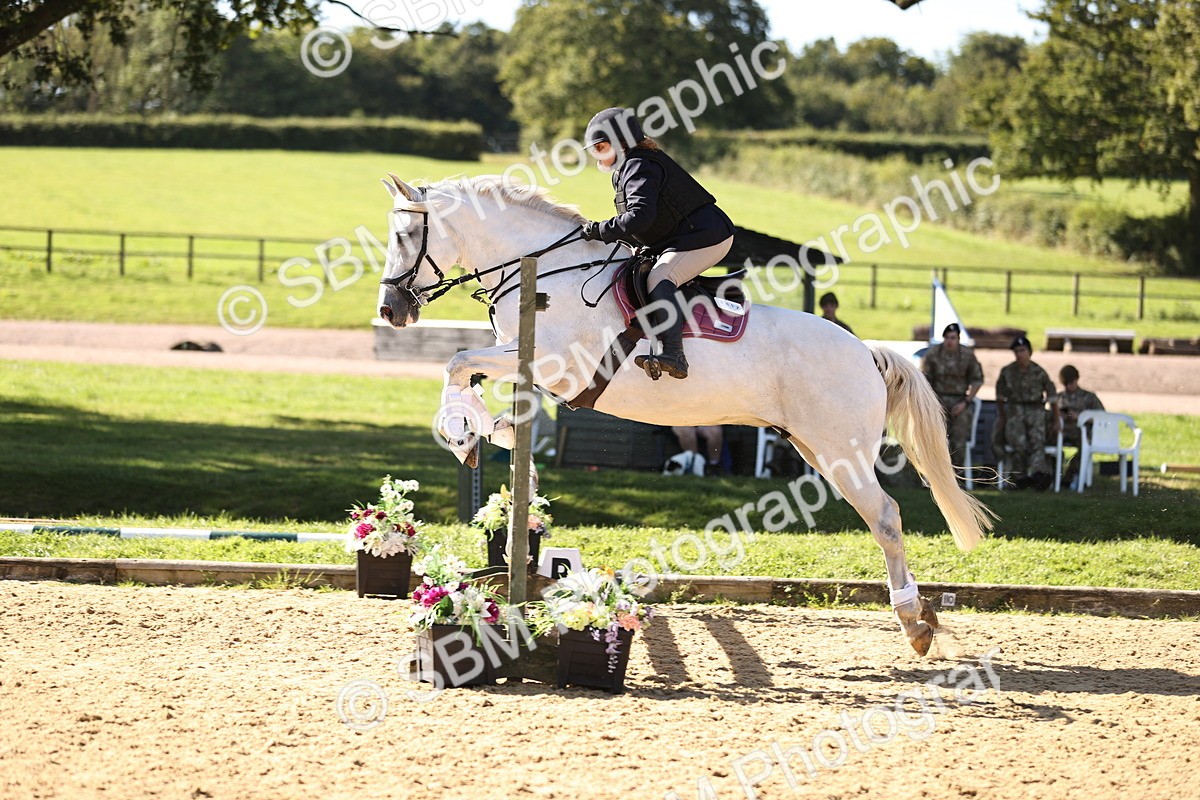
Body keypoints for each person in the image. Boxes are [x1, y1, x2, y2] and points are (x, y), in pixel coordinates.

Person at [579, 107, 735, 381]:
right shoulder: (629, 167)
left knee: (661, 275)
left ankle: (675, 354)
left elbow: (639, 218)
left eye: (602, 147)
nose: (599, 155)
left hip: (707, 236)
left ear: (620, 142)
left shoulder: (640, 164)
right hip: (684, 237)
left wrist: (598, 230)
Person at [995, 336, 1061, 490]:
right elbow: (999, 396)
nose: (1019, 354)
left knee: (1037, 442)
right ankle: (1020, 477)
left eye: (1022, 351)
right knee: (1018, 442)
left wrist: (1057, 419)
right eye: (1016, 351)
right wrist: (1003, 417)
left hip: (1035, 411)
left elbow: (1052, 397)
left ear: (1030, 352)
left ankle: (1038, 475)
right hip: (1015, 411)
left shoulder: (1039, 372)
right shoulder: (1007, 372)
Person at [920, 323, 984, 473]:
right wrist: (933, 403)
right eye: (947, 338)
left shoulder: (967, 356)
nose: (950, 341)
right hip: (936, 401)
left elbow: (977, 380)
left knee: (959, 439)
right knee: (934, 438)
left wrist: (966, 402)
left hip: (960, 402)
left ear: (958, 339)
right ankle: (934, 473)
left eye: (953, 338)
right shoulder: (933, 354)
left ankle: (957, 474)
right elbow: (924, 380)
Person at [1057, 364, 1105, 489]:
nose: (1068, 387)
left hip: (1081, 433)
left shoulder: (1089, 398)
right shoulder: (1059, 397)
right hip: (1061, 431)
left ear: (1076, 380)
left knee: (1085, 447)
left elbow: (1102, 418)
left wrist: (1080, 417)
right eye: (1065, 384)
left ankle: (1070, 476)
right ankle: (1049, 476)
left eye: (1070, 383)